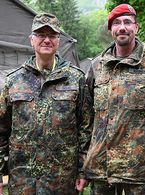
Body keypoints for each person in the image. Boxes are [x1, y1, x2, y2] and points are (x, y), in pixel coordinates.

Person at [83, 3, 145, 195]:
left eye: (128, 22)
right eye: (117, 23)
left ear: (136, 27)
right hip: (102, 169)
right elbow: (87, 117)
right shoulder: (97, 66)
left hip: (139, 170)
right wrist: (84, 161)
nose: (122, 27)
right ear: (110, 29)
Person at [0, 13, 93, 194]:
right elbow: (1, 129)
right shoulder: (13, 81)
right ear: (31, 40)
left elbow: (85, 127)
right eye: (41, 35)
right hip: (23, 179)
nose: (46, 40)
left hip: (61, 179)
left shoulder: (75, 78)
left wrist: (82, 170)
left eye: (52, 35)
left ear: (58, 41)